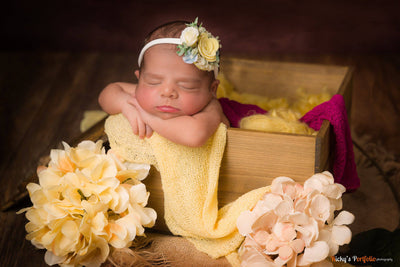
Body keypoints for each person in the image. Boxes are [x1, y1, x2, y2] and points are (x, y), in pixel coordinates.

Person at [98, 18, 230, 147]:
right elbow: (108, 93)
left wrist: (146, 116)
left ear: (212, 90)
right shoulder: (144, 94)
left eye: (186, 86)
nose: (167, 92)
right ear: (139, 80)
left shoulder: (210, 108)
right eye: (153, 82)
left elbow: (195, 136)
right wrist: (124, 104)